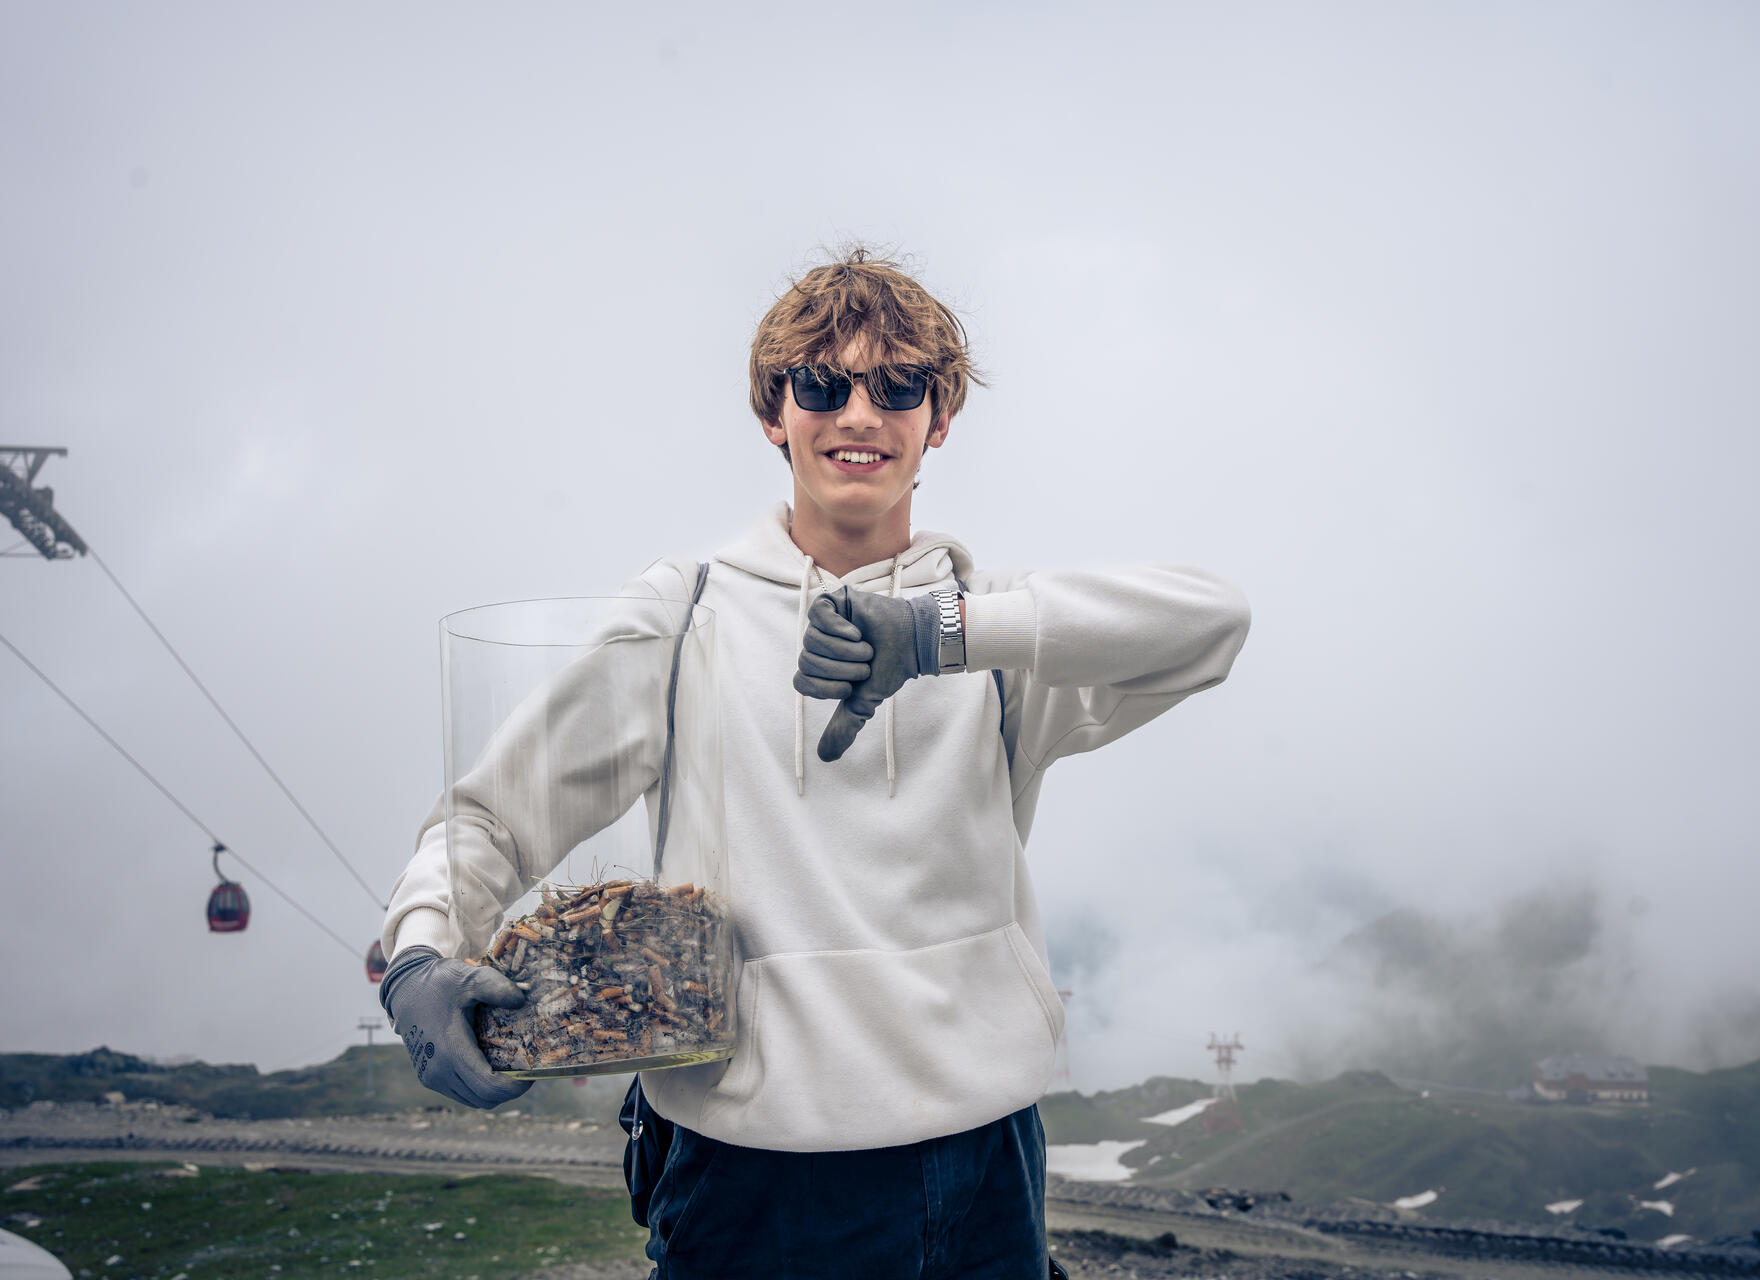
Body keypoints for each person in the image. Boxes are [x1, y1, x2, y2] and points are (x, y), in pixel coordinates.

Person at [378, 247, 1251, 1278]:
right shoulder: (686, 614)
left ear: (940, 420)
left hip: (989, 1168)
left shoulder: (996, 637)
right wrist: (419, 954)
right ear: (772, 412)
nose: (859, 414)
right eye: (822, 384)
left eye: (899, 386)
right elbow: (493, 816)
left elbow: (1214, 621)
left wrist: (937, 634)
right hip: (756, 1183)